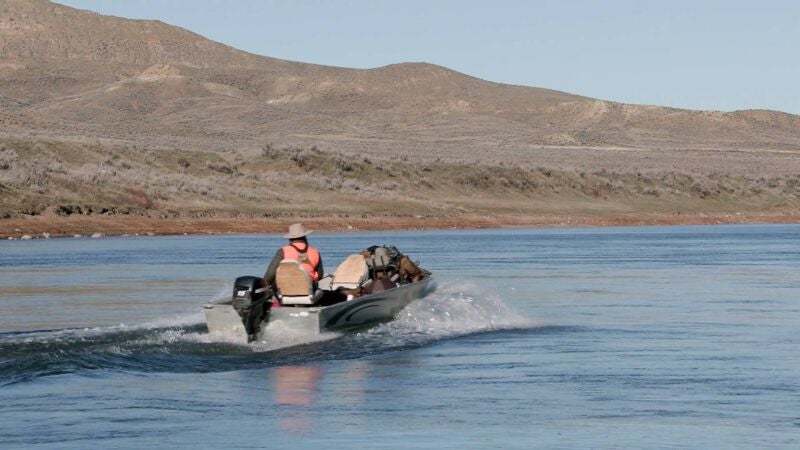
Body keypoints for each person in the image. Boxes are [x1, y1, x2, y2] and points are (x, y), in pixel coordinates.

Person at [263, 223, 324, 289]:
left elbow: (270, 275)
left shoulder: (282, 251)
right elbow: (320, 275)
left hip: (287, 287)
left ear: (290, 238)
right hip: (309, 288)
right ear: (305, 237)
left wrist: (263, 284)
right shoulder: (315, 251)